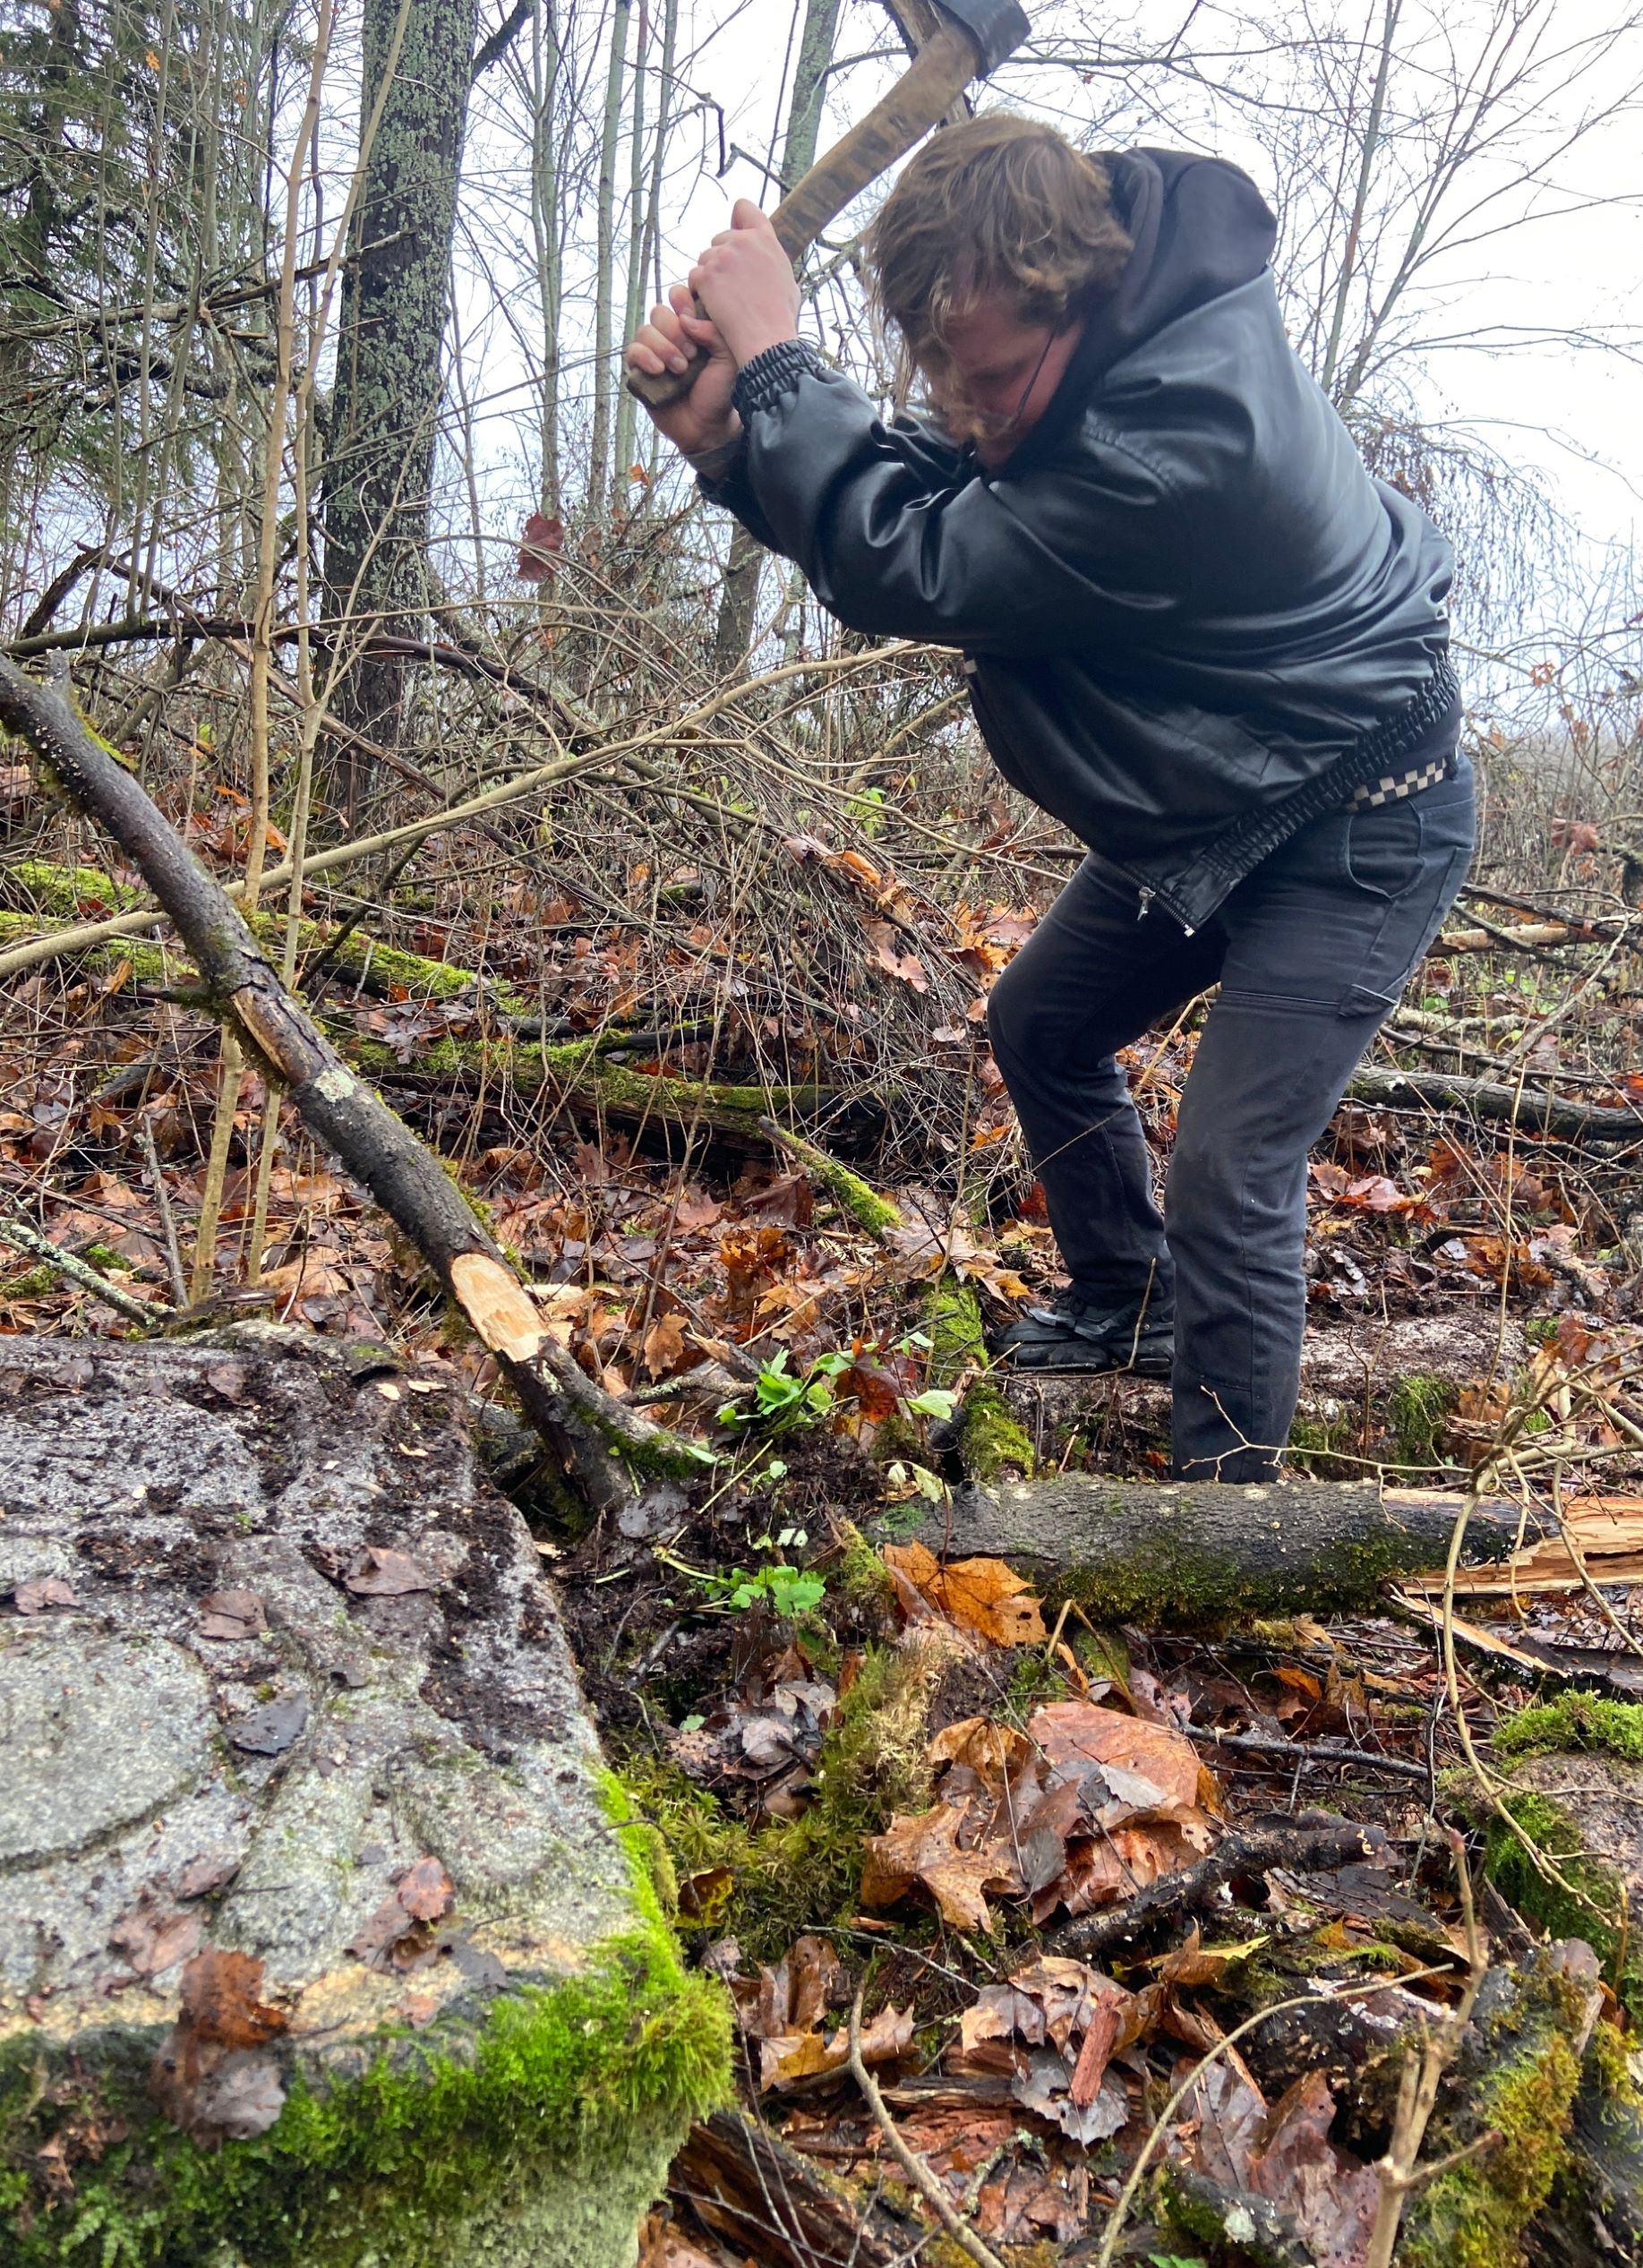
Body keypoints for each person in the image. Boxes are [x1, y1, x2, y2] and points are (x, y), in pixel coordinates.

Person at [625, 114, 1476, 1484]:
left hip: (1363, 815)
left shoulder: (1185, 438)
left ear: (1072, 292)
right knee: (1043, 1021)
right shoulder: (1095, 362)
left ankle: (1223, 1515)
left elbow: (930, 567)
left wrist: (777, 367)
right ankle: (1124, 1294)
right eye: (946, 380)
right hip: (1226, 791)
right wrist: (735, 444)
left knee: (1231, 1170)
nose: (969, 413)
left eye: (996, 379)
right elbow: (940, 500)